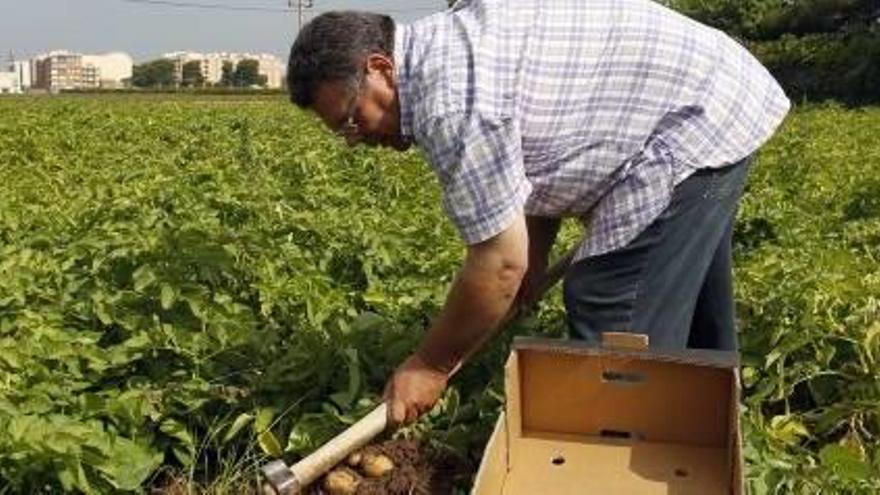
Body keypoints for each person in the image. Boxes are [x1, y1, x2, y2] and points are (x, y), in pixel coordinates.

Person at [285, 0, 790, 426]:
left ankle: (627, 458)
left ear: (381, 68)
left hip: (692, 119)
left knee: (613, 304)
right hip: (716, 94)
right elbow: (539, 149)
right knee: (689, 290)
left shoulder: (451, 101)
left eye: (352, 119)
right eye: (342, 133)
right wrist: (537, 249)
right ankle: (716, 428)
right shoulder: (447, 48)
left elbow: (500, 264)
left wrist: (430, 364)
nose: (358, 138)